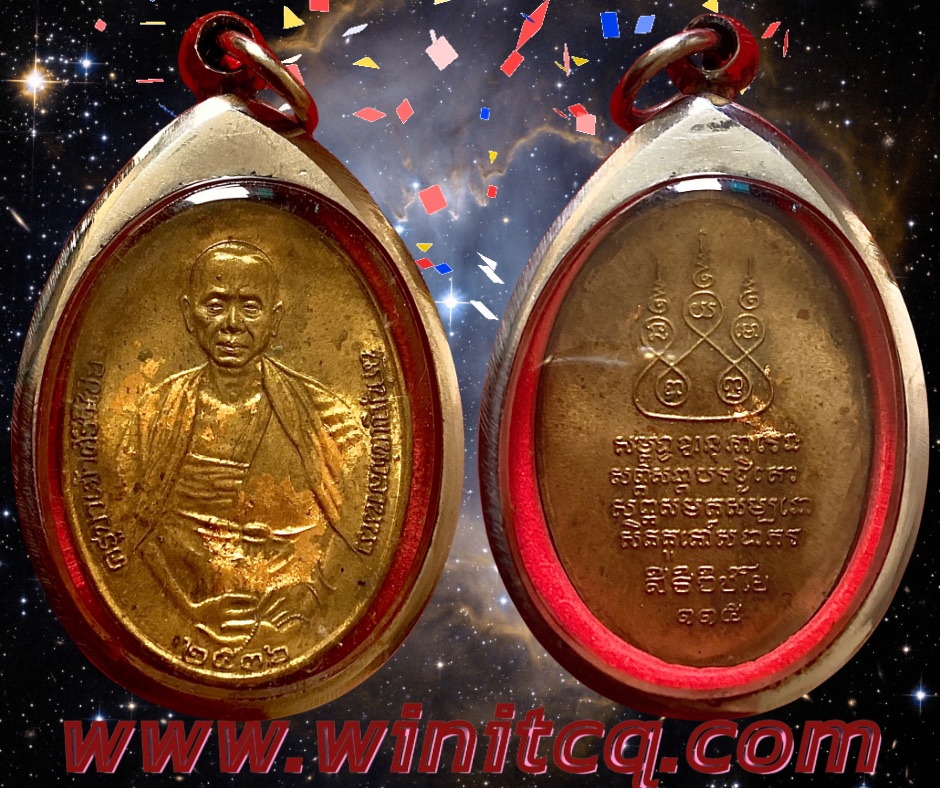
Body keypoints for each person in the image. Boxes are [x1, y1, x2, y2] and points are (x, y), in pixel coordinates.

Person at [118, 240, 364, 647]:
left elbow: (358, 528)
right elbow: (128, 529)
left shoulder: (328, 417)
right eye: (215, 305)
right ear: (188, 315)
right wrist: (190, 610)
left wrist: (315, 590)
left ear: (274, 319)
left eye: (250, 307)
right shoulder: (154, 414)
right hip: (188, 613)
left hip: (287, 620)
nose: (231, 324)